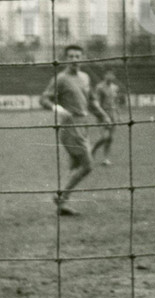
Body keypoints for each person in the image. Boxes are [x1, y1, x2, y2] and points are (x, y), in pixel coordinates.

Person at [39, 45, 111, 216]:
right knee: (87, 165)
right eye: (71, 56)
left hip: (83, 124)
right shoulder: (61, 79)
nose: (74, 59)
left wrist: (103, 116)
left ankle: (62, 204)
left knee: (75, 166)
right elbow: (44, 99)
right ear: (65, 59)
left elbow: (92, 101)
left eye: (77, 55)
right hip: (70, 126)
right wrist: (58, 109)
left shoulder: (85, 78)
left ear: (82, 57)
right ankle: (61, 196)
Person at [91, 70, 121, 166]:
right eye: (108, 74)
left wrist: (118, 115)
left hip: (113, 115)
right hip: (104, 114)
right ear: (105, 75)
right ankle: (93, 149)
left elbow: (116, 102)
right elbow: (97, 102)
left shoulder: (115, 88)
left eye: (112, 74)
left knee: (110, 138)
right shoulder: (99, 87)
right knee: (105, 137)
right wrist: (100, 114)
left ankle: (106, 158)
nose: (110, 76)